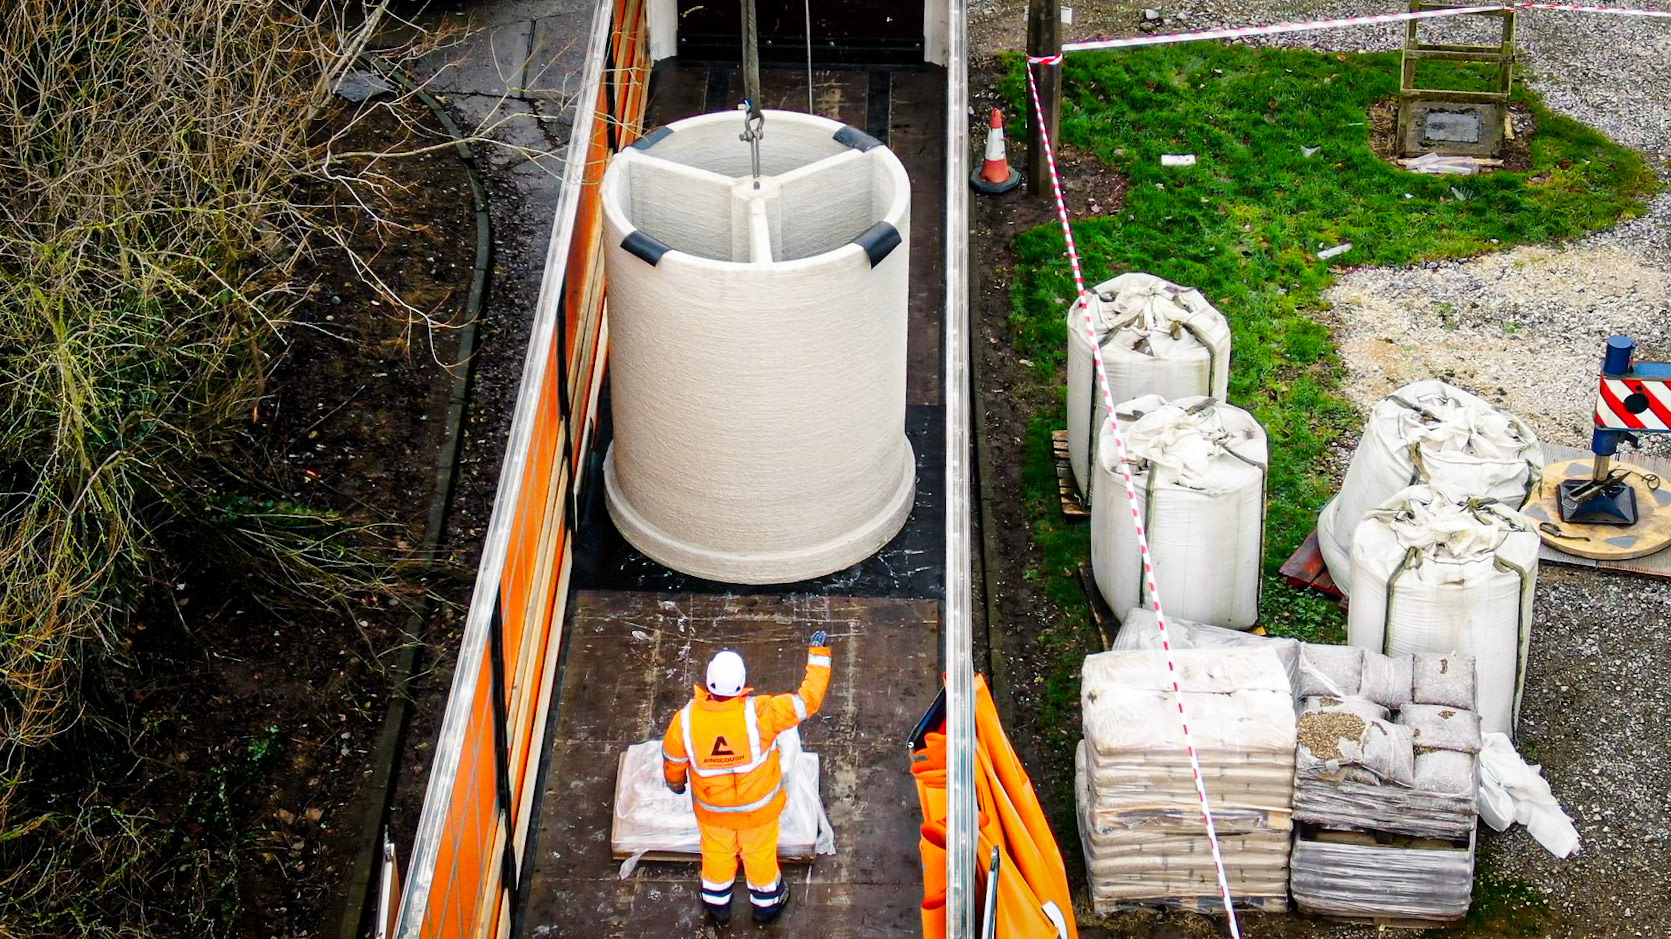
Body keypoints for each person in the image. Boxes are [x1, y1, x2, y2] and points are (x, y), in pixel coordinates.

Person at [662, 630, 833, 924]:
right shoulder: (761, 714)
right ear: (742, 683)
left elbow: (673, 759)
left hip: (714, 813)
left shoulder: (686, 720)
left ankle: (717, 904)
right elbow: (807, 702)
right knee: (760, 854)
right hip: (759, 811)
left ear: (708, 681)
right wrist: (818, 655)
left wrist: (676, 784)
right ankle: (766, 905)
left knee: (716, 854)